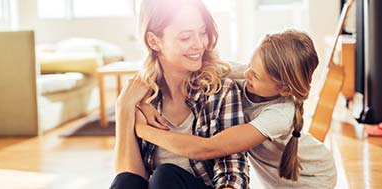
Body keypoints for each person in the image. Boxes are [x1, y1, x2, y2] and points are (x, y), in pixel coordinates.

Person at [135, 30, 337, 188]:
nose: (247, 73)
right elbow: (177, 71)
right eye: (250, 65)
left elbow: (207, 148)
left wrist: (142, 129)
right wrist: (143, 102)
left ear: (283, 89)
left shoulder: (280, 115)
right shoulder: (247, 74)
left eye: (256, 76)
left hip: (313, 177)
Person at [110, 0, 249, 188]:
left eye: (202, 33)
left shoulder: (222, 90)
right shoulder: (143, 99)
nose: (199, 44)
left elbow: (232, 174)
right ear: (154, 41)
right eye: (185, 37)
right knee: (126, 180)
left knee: (165, 176)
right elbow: (130, 177)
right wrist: (123, 108)